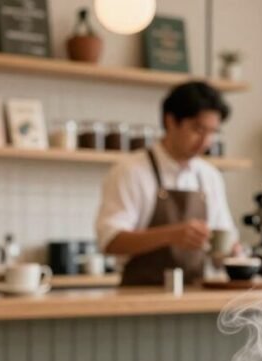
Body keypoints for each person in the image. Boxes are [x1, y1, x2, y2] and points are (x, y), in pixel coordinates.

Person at [95, 81, 239, 286]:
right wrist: (171, 235)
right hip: (138, 298)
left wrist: (230, 252)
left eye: (213, 132)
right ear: (170, 121)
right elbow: (110, 241)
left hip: (195, 296)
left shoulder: (210, 176)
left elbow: (222, 244)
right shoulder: (130, 170)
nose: (206, 141)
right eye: (198, 129)